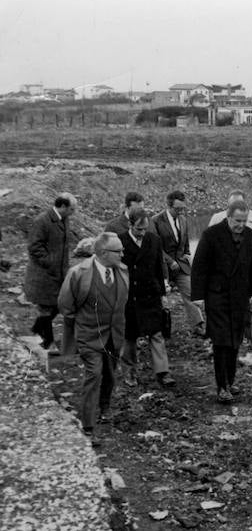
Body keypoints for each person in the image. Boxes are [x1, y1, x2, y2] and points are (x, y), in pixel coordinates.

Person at [58, 232, 128, 445]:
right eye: (119, 251)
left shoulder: (122, 271)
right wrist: (83, 325)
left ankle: (104, 407)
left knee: (110, 374)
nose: (123, 254)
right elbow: (66, 305)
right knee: (93, 375)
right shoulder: (79, 273)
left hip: (114, 335)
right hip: (89, 336)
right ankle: (88, 426)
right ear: (103, 253)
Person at [191, 200, 252, 403]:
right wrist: (198, 297)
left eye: (244, 221)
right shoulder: (211, 235)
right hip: (217, 297)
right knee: (221, 342)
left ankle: (230, 381)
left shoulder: (250, 235)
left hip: (240, 298)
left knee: (235, 341)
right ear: (228, 217)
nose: (241, 225)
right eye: (237, 220)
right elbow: (199, 267)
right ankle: (222, 386)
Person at [208, 189, 252, 351]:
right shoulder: (217, 219)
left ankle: (251, 339)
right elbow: (207, 245)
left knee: (249, 308)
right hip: (223, 277)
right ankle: (221, 340)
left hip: (248, 274)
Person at [118, 210, 174, 387]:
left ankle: (163, 372)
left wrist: (163, 293)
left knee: (156, 333)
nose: (142, 233)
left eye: (145, 229)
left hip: (151, 295)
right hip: (129, 297)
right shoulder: (119, 241)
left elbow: (159, 267)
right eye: (138, 229)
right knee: (130, 337)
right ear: (130, 224)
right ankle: (130, 372)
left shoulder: (154, 240)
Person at [24, 192, 76, 353]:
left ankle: (38, 330)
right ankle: (47, 341)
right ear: (62, 206)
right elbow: (34, 247)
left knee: (58, 306)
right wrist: (50, 262)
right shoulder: (42, 221)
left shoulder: (64, 219)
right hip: (44, 275)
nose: (73, 213)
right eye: (72, 209)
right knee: (48, 307)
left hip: (58, 274)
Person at [149, 190, 204, 337]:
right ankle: (159, 330)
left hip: (181, 265)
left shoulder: (184, 220)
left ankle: (198, 325)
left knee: (190, 293)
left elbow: (185, 243)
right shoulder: (155, 221)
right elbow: (155, 247)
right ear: (168, 205)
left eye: (182, 208)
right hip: (162, 267)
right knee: (160, 299)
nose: (180, 211)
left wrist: (187, 255)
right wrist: (169, 261)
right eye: (177, 209)